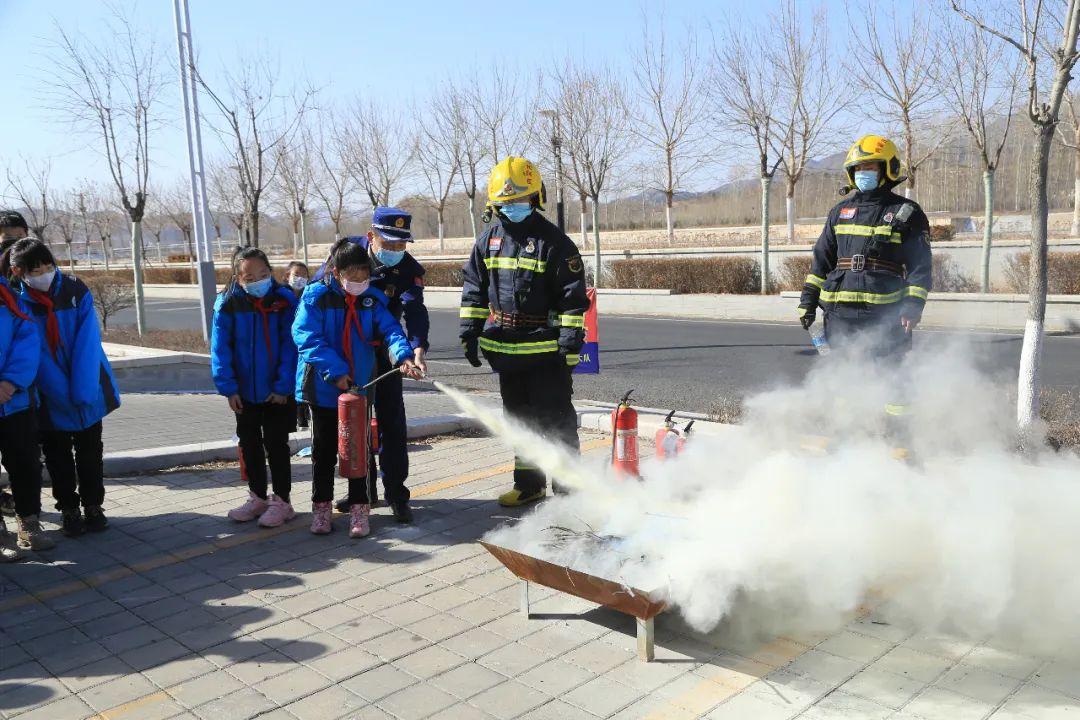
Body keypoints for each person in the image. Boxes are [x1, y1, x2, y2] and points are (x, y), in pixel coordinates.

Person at [459, 157, 588, 507]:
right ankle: (529, 484)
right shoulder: (487, 241)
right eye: (505, 204)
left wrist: (569, 344)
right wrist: (469, 332)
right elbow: (474, 288)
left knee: (557, 420)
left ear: (535, 199)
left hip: (546, 353)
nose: (512, 209)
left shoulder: (555, 243)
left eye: (519, 202)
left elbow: (572, 299)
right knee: (519, 421)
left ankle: (569, 491)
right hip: (506, 352)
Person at [797, 134, 932, 456]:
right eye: (858, 168)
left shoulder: (906, 212)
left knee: (893, 377)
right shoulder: (840, 212)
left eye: (870, 167)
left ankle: (899, 441)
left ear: (888, 169)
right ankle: (845, 434)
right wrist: (807, 301)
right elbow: (821, 261)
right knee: (843, 374)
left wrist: (914, 305)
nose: (863, 173)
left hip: (886, 315)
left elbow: (920, 268)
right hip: (840, 311)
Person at [292, 238, 422, 538]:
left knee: (358, 451)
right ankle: (321, 509)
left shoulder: (371, 298)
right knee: (324, 452)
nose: (361, 282)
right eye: (353, 276)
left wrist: (402, 357)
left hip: (359, 387)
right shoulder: (316, 296)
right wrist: (336, 372)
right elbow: (306, 338)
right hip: (324, 388)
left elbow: (390, 330)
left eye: (365, 275)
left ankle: (360, 510)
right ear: (336, 272)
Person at [4, 238, 118, 542]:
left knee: (91, 452)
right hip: (48, 398)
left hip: (88, 388)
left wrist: (81, 390)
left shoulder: (75, 290)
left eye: (47, 265)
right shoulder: (16, 301)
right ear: (18, 271)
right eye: (35, 268)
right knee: (58, 458)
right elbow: (34, 354)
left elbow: (87, 343)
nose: (44, 272)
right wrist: (60, 392)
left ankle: (94, 505)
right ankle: (68, 509)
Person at [330, 207, 429, 523]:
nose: (396, 252)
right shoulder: (347, 254)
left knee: (391, 423)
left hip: (388, 352)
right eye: (390, 245)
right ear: (371, 237)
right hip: (349, 352)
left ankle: (397, 494)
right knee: (355, 422)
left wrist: (417, 348)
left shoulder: (408, 269)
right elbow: (322, 292)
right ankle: (363, 491)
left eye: (402, 246)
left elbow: (415, 311)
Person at [212, 247, 299, 528]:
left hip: (277, 393)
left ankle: (282, 501)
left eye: (263, 274)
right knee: (249, 445)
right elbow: (220, 350)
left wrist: (283, 386)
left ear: (271, 272)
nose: (257, 280)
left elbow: (292, 346)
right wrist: (229, 388)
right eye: (249, 277)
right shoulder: (227, 304)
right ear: (238, 278)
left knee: (276, 446)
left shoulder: (284, 301)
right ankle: (258, 497)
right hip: (244, 393)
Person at [0, 259, 42, 561]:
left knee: (26, 463)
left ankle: (29, 524)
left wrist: (10, 382)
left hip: (14, 400)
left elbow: (27, 340)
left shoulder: (9, 297)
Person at [0, 211, 29, 519]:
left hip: (24, 386)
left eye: (12, 235)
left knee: (25, 455)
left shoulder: (36, 267)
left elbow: (27, 334)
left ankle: (27, 514)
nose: (7, 241)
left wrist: (11, 381)